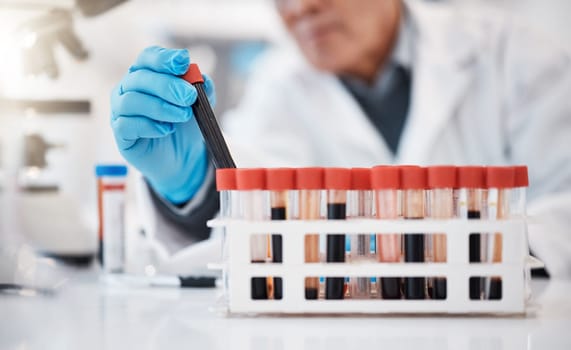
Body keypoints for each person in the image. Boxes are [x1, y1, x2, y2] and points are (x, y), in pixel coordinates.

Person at [110, 0, 571, 277]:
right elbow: (257, 223)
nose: (299, 8)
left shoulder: (516, 57)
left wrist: (458, 248)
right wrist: (194, 188)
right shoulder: (278, 87)